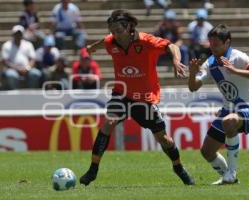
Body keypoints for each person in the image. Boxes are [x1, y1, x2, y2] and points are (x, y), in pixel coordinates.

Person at [80, 9, 194, 186]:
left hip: (145, 97)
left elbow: (172, 46)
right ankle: (93, 170)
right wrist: (91, 48)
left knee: (163, 139)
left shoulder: (146, 41)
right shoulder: (111, 41)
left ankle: (178, 167)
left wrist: (176, 61)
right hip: (122, 93)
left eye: (118, 30)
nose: (114, 35)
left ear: (129, 28)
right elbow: (103, 42)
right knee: (108, 123)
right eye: (112, 31)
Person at [188, 24, 249, 185]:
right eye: (211, 44)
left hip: (248, 108)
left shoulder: (239, 58)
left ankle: (232, 171)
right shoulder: (210, 63)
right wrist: (191, 74)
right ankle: (228, 177)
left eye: (216, 44)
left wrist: (235, 71)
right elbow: (193, 87)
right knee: (207, 152)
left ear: (227, 43)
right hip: (228, 109)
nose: (212, 47)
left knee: (228, 121)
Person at [2, 25, 41, 90]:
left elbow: (32, 59)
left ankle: (31, 92)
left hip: (27, 69)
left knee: (35, 73)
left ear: (22, 34)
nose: (18, 36)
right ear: (13, 34)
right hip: (12, 69)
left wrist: (27, 68)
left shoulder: (28, 44)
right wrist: (18, 69)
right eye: (16, 34)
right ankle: (14, 93)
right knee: (11, 75)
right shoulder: (7, 45)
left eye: (20, 34)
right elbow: (5, 61)